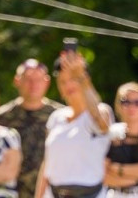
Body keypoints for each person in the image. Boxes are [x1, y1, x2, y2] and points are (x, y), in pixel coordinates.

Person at [36, 51, 114, 198]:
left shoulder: (102, 112)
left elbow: (99, 119)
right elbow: (47, 164)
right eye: (62, 81)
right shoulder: (55, 117)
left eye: (73, 79)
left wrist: (81, 75)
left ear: (86, 80)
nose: (68, 85)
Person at [0, 59, 62, 198]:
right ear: (17, 81)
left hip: (51, 191)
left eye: (38, 79)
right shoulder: (3, 117)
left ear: (47, 82)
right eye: (28, 79)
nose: (33, 85)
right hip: (11, 192)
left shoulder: (60, 116)